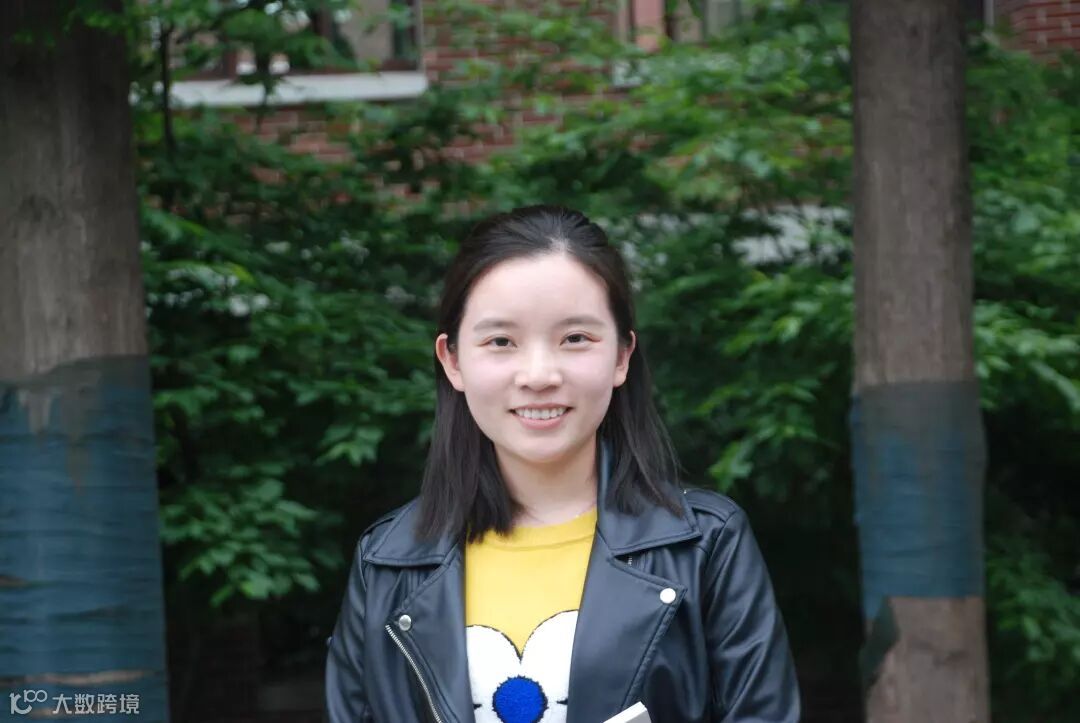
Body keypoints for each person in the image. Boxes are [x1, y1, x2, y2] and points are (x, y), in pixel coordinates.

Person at [325, 205, 800, 723]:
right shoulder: (388, 561)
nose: (538, 375)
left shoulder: (705, 545)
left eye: (575, 339)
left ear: (621, 356)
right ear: (453, 360)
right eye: (501, 341)